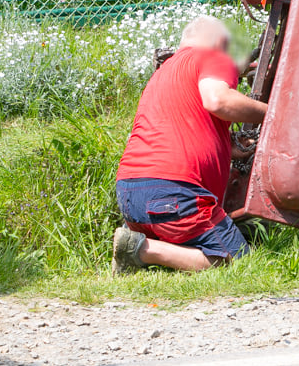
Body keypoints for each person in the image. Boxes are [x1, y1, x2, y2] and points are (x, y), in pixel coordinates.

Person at [111, 16, 268, 273]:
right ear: (220, 41)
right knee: (237, 261)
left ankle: (138, 241)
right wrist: (272, 113)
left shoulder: (164, 73)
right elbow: (218, 101)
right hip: (173, 193)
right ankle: (142, 249)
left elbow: (181, 129)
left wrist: (227, 147)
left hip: (130, 193)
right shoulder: (212, 56)